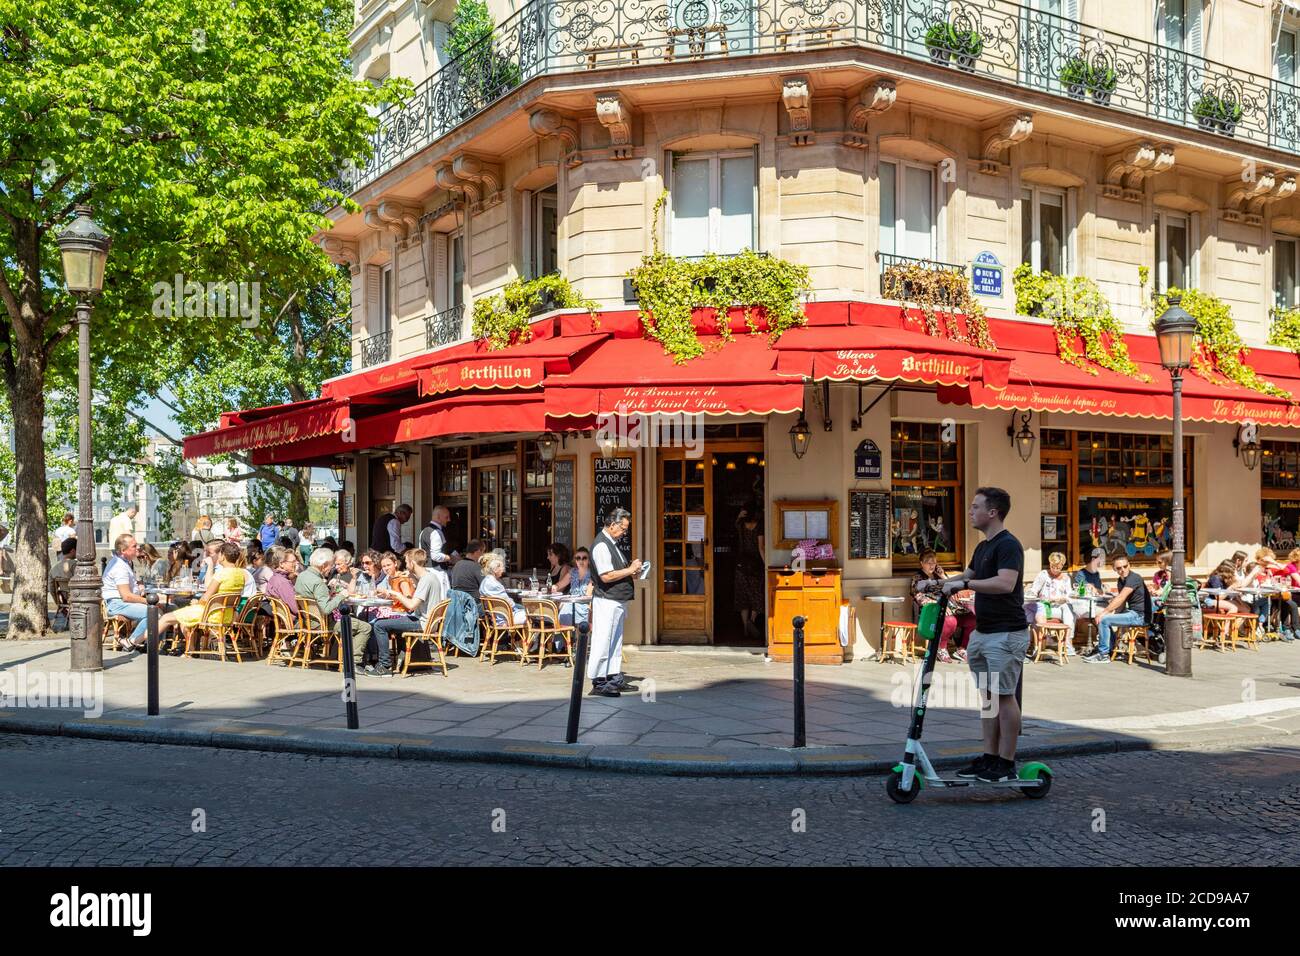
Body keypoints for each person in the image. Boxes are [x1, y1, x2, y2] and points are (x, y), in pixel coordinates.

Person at [940, 487, 1027, 783]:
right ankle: (989, 757)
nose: (970, 512)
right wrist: (935, 583)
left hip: (1006, 633)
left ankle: (1006, 762)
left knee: (1004, 697)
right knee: (988, 697)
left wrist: (965, 585)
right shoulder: (982, 547)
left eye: (975, 507)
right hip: (983, 631)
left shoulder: (1008, 545)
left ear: (992, 512)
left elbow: (1005, 583)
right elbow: (967, 576)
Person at [589, 508, 642, 698]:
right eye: (624, 528)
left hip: (616, 600)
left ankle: (613, 678)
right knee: (603, 641)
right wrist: (630, 570)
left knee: (615, 642)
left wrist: (631, 571)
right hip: (607, 600)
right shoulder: (602, 545)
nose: (625, 533)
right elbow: (606, 575)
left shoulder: (612, 543)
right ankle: (600, 682)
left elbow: (615, 571)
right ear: (613, 525)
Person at [369, 549, 447, 675]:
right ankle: (397, 659)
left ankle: (385, 666)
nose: (405, 565)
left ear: (412, 562)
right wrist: (410, 576)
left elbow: (411, 605)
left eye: (406, 562)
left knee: (379, 625)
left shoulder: (426, 580)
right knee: (382, 622)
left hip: (424, 622)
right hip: (426, 620)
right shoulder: (428, 577)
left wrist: (394, 593)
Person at [296, 548, 373, 669]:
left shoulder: (302, 576)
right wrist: (342, 595)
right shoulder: (318, 582)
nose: (332, 568)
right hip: (323, 622)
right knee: (365, 627)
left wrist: (330, 593)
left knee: (350, 620)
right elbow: (326, 609)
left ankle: (335, 657)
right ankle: (354, 662)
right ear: (324, 565)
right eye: (331, 565)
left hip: (309, 620)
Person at [103, 534, 179, 651]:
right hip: (117, 604)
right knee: (153, 612)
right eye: (134, 546)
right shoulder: (119, 567)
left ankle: (149, 646)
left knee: (162, 610)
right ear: (123, 550)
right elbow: (126, 596)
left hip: (120, 602)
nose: (138, 547)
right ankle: (132, 643)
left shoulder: (123, 562)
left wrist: (138, 584)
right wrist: (149, 602)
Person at [172, 541, 246, 646]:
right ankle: (195, 649)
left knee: (179, 616)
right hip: (229, 614)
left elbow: (206, 594)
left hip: (213, 614)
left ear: (222, 555)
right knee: (184, 606)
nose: (206, 555)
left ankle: (190, 650)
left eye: (209, 553)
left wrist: (197, 603)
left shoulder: (221, 573)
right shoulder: (240, 573)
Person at [911, 549, 974, 663]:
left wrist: (942, 576)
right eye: (928, 563)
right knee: (950, 621)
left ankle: (962, 648)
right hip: (932, 612)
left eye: (934, 563)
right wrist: (940, 606)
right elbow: (920, 599)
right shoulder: (918, 578)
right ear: (922, 563)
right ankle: (941, 648)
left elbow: (953, 588)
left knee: (972, 618)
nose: (932, 565)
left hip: (950, 608)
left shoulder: (938, 575)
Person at [1085, 554, 1148, 663]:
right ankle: (1112, 648)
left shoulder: (1134, 578)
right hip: (1131, 612)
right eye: (1119, 568)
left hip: (1140, 615)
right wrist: (1111, 615)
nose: (1123, 570)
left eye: (1125, 566)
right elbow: (1122, 603)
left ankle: (1103, 655)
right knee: (1104, 619)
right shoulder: (1120, 581)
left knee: (1104, 619)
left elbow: (1121, 597)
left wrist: (1105, 613)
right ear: (1114, 569)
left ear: (1129, 565)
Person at [1025, 550, 1077, 657]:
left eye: (1059, 567)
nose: (1056, 570)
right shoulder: (1044, 575)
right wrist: (1033, 595)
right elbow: (1034, 590)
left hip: (1058, 608)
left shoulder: (1066, 578)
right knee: (1038, 609)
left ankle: (1067, 643)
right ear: (1050, 564)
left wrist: (1060, 599)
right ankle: (1039, 645)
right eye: (1054, 567)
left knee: (1068, 609)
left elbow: (1069, 596)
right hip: (1045, 608)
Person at [733, 506, 765, 642]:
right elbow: (761, 547)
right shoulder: (759, 527)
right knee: (757, 594)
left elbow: (735, 524)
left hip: (741, 565)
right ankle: (752, 620)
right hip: (755, 566)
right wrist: (765, 564)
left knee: (742, 596)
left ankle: (745, 627)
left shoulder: (740, 525)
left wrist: (739, 516)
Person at [479, 552, 527, 626]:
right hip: (505, 618)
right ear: (495, 569)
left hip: (497, 618)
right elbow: (509, 604)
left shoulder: (485, 581)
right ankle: (536, 637)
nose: (503, 569)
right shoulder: (494, 584)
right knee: (535, 614)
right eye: (501, 567)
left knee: (526, 611)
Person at [560, 546, 595, 634]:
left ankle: (571, 641)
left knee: (566, 609)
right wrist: (554, 587)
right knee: (564, 610)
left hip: (585, 606)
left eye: (584, 558)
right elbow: (560, 584)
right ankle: (563, 644)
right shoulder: (572, 572)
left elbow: (588, 595)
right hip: (571, 604)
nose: (581, 561)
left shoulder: (592, 574)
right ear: (575, 560)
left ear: (589, 560)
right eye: (578, 558)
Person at [49, 536, 77, 612]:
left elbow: (51, 589)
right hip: (78, 599)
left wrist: (59, 603)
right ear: (73, 551)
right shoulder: (76, 565)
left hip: (65, 601)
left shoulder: (54, 569)